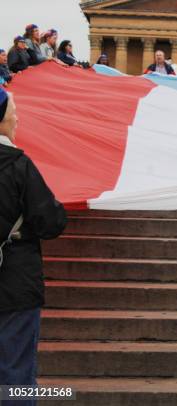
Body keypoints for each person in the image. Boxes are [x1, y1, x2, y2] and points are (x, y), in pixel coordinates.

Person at [0, 87, 67, 403]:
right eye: (13, 110)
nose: (17, 117)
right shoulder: (18, 165)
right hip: (15, 281)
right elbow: (50, 222)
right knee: (16, 374)